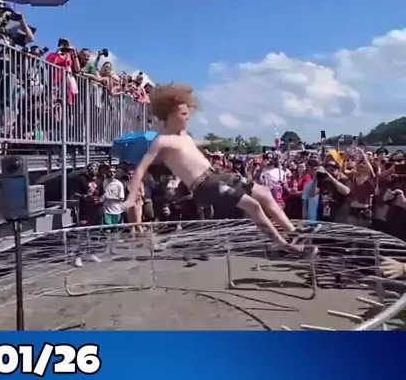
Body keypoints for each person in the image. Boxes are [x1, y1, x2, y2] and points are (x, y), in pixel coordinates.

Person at [122, 83, 315, 254]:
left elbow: (193, 144)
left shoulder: (185, 136)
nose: (187, 118)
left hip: (218, 175)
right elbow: (140, 169)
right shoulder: (162, 141)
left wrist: (212, 141)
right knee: (253, 205)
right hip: (204, 185)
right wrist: (131, 198)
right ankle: (282, 244)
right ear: (170, 115)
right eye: (183, 114)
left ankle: (293, 232)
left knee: (264, 193)